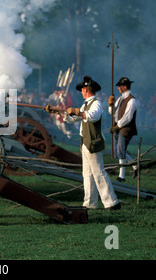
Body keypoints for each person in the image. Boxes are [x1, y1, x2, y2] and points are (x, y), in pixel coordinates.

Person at [58, 75, 120, 210]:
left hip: (93, 142)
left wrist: (77, 112)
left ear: (87, 89)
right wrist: (61, 113)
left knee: (99, 172)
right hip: (85, 142)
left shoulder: (96, 104)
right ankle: (90, 203)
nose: (81, 91)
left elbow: (93, 116)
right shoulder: (84, 105)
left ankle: (112, 203)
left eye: (82, 89)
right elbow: (74, 119)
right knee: (87, 174)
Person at [108, 77, 138, 182]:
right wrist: (110, 104)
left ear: (124, 87)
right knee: (119, 152)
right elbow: (112, 113)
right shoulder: (120, 99)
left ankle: (122, 176)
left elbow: (128, 117)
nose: (118, 88)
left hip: (126, 128)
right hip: (119, 127)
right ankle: (135, 166)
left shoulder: (132, 100)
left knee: (120, 151)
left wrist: (117, 126)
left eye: (119, 86)